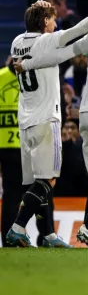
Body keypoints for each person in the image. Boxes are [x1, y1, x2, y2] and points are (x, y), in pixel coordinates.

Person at [6, 0, 88, 247]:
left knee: (37, 181)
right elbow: (77, 30)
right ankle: (17, 227)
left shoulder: (18, 41)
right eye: (51, 19)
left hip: (26, 121)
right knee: (48, 179)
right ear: (43, 22)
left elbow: (63, 53)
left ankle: (47, 233)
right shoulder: (45, 41)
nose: (55, 23)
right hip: (46, 118)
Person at [0, 58, 22, 247]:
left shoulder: (0, 77)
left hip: (4, 145)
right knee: (41, 191)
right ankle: (45, 236)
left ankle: (8, 239)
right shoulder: (30, 76)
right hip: (24, 144)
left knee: (10, 195)